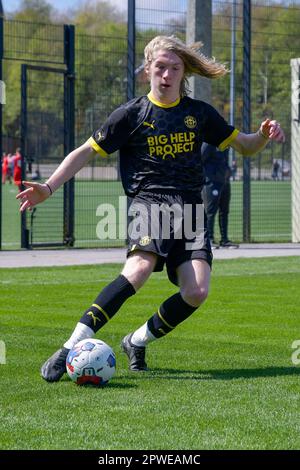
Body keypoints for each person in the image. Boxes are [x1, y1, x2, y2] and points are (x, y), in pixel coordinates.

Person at [16, 35, 285, 382]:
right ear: (147, 71)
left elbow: (246, 146)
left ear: (183, 72)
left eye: (175, 68)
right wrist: (49, 187)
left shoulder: (198, 114)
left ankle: (136, 341)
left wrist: (263, 134)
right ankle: (69, 347)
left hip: (190, 210)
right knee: (139, 269)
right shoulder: (131, 114)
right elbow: (84, 151)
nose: (167, 74)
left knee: (197, 291)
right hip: (149, 204)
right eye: (160, 67)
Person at [201, 143, 238, 248]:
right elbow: (200, 159)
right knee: (210, 211)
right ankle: (209, 239)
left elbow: (224, 160)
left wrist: (227, 170)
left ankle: (224, 240)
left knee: (224, 211)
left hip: (224, 181)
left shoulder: (224, 141)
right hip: (212, 182)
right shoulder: (208, 142)